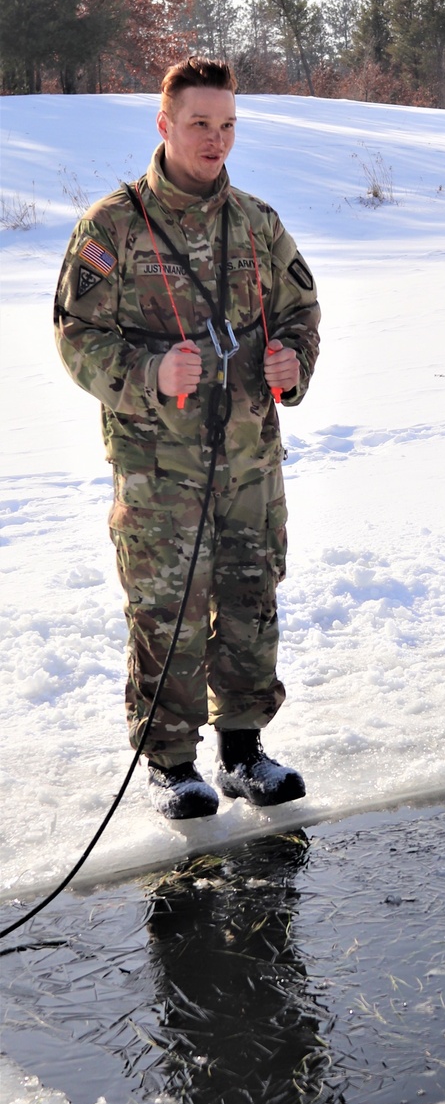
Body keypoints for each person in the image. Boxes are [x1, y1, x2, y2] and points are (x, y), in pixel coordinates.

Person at [55, 57, 320, 820]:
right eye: (200, 123)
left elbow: (304, 311)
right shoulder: (112, 227)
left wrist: (292, 361)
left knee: (249, 592)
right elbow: (76, 335)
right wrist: (146, 371)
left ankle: (244, 751)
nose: (216, 140)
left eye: (228, 124)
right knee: (166, 607)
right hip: (158, 468)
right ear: (165, 125)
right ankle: (171, 762)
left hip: (248, 459)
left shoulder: (258, 223)